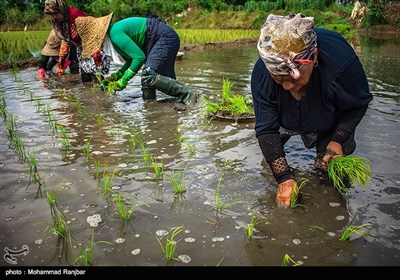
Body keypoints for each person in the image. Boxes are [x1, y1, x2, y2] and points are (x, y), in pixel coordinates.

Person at [251, 13, 373, 208]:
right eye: (279, 79)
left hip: (327, 111)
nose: (288, 86)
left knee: (331, 168)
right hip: (286, 113)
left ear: (314, 57)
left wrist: (338, 139)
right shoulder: (262, 74)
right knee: (272, 157)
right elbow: (266, 129)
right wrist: (283, 177)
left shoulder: (342, 65)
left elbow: (357, 104)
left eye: (293, 78)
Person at [74, 13, 195, 105]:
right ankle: (151, 107)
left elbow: (139, 57)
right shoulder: (114, 37)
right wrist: (117, 76)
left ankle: (190, 97)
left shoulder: (116, 35)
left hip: (164, 38)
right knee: (147, 82)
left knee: (148, 76)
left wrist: (124, 80)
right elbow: (131, 60)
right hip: (155, 41)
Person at [43, 0, 92, 82]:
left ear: (61, 9)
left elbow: (89, 33)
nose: (54, 17)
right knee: (85, 78)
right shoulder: (58, 21)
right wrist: (61, 62)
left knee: (93, 74)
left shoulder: (76, 15)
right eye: (51, 15)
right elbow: (65, 39)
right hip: (79, 47)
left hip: (90, 45)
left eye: (55, 13)